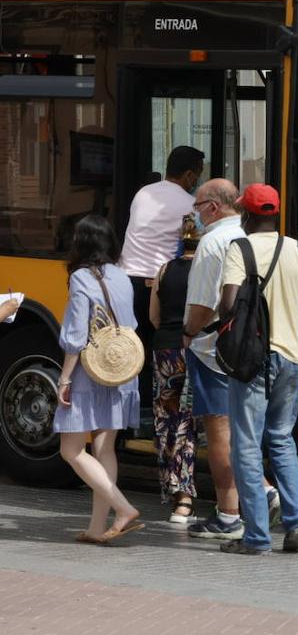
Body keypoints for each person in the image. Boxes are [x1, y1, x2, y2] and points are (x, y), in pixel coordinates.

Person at [217, 184, 298, 555]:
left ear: (245, 214)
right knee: (281, 439)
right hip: (293, 357)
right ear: (275, 213)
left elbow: (228, 304)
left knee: (246, 445)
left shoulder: (239, 249)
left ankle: (257, 536)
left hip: (253, 360)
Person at [182, 179, 278, 541]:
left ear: (212, 207)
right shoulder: (260, 236)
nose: (195, 214)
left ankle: (234, 510)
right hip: (256, 346)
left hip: (215, 348)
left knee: (220, 432)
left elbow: (204, 303)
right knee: (247, 429)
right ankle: (245, 503)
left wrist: (189, 332)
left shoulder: (213, 242)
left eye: (197, 207)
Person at [55, 215, 144, 544]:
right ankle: (96, 528)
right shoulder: (122, 276)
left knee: (72, 450)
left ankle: (122, 508)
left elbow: (77, 334)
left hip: (88, 375)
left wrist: (64, 379)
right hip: (119, 369)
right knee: (105, 449)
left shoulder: (80, 277)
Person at [119, 146, 203, 358]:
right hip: (158, 285)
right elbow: (192, 244)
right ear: (189, 175)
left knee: (133, 350)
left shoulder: (143, 193)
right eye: (198, 176)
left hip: (127, 280)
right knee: (162, 349)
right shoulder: (190, 205)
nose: (196, 183)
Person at [148, 214, 199, 524]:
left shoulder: (164, 270)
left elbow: (154, 316)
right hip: (195, 349)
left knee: (167, 421)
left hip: (164, 350)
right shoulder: (207, 270)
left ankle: (180, 497)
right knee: (193, 421)